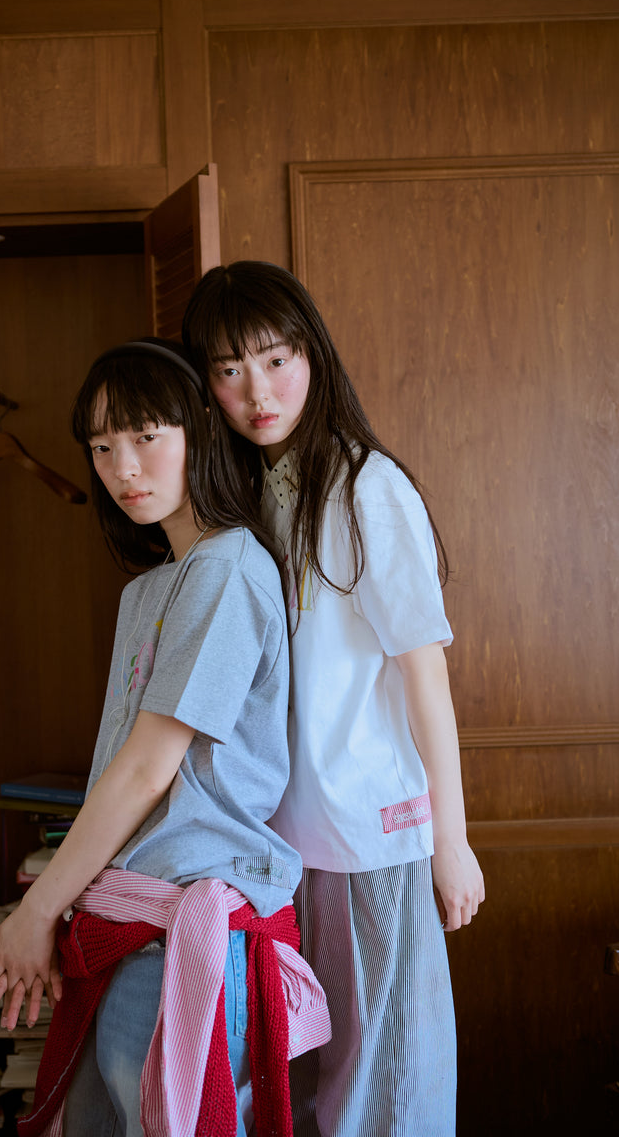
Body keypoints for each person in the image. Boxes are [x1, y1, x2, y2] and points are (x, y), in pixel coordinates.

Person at [0, 339, 330, 1137]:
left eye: (144, 436)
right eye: (102, 447)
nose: (122, 468)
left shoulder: (228, 569)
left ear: (199, 428)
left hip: (183, 939)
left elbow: (145, 771)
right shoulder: (150, 590)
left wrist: (38, 910)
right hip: (127, 930)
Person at [182, 262, 485, 1137]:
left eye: (276, 361)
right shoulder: (251, 496)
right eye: (230, 370)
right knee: (310, 1089)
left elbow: (426, 676)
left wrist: (452, 842)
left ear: (312, 355)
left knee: (385, 1087)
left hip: (371, 837)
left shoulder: (367, 487)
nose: (258, 392)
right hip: (282, 846)